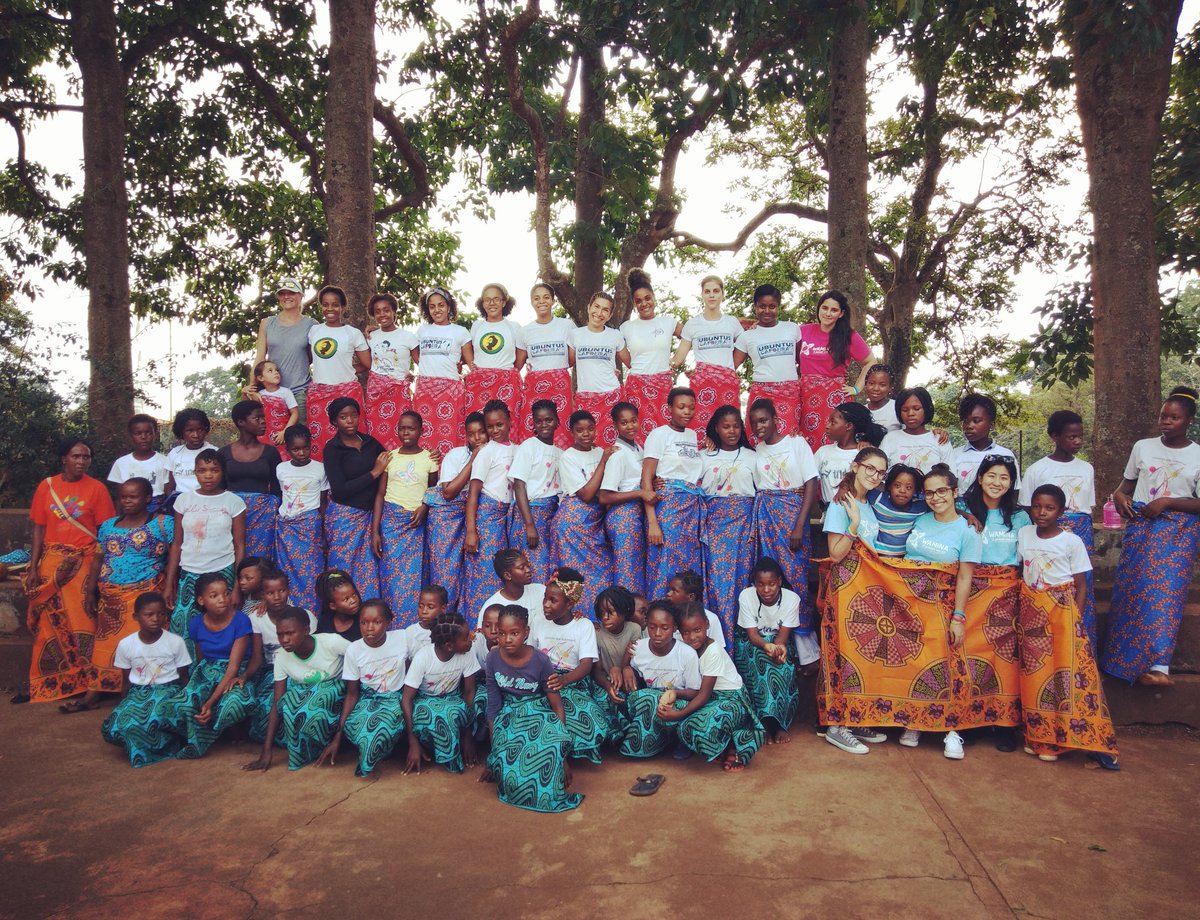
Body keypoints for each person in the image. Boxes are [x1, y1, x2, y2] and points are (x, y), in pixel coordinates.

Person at [1104, 386, 1200, 686]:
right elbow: (1125, 487)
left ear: (1189, 421)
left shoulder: (1197, 454)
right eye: (1163, 416)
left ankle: (1159, 667)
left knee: (1165, 596)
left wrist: (1168, 502)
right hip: (1142, 527)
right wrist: (1119, 498)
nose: (1166, 422)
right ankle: (1120, 665)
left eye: (1174, 417)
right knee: (1132, 591)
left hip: (1178, 533)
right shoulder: (1142, 447)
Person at [1017, 485, 1118, 768]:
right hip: (1030, 610)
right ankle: (1037, 736)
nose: (1041, 512)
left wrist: (1075, 618)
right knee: (1034, 672)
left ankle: (1060, 740)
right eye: (1036, 506)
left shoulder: (1071, 542)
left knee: (1061, 673)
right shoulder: (1024, 533)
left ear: (1061, 511)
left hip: (1062, 611)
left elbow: (1081, 586)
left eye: (1049, 508)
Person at [22, 438, 116, 707]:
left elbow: (104, 532)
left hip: (83, 563)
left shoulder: (97, 489)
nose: (81, 461)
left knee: (85, 622)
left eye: (86, 457)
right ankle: (49, 685)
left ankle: (87, 684)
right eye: (76, 456)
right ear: (64, 458)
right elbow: (39, 528)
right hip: (51, 563)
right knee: (47, 626)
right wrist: (33, 566)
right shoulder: (47, 486)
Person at [899, 464, 981, 760]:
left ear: (955, 492)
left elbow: (964, 576)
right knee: (912, 663)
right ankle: (915, 722)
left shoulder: (967, 530)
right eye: (930, 493)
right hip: (908, 605)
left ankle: (952, 731)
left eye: (942, 491)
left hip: (941, 606)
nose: (935, 498)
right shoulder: (920, 520)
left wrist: (958, 617)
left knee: (946, 666)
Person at [820, 448, 890, 756]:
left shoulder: (866, 503)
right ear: (855, 466)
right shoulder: (842, 503)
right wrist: (852, 525)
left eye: (880, 472)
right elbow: (835, 552)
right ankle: (837, 724)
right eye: (870, 468)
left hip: (867, 591)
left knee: (860, 655)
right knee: (842, 653)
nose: (874, 476)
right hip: (846, 587)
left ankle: (854, 716)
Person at [483, 605, 582, 812]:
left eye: (514, 633)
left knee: (548, 745)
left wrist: (561, 757)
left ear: (526, 633)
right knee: (509, 771)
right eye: (502, 633)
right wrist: (494, 753)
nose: (507, 639)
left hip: (537, 711)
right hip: (508, 715)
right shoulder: (492, 659)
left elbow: (556, 705)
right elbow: (493, 705)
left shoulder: (541, 660)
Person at [86, 479, 174, 708]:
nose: (127, 501)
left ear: (147, 499)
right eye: (123, 496)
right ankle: (95, 691)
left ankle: (137, 692)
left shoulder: (163, 524)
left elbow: (175, 556)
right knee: (105, 645)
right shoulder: (107, 526)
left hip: (145, 594)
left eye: (133, 496)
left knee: (142, 645)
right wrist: (90, 592)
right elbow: (97, 559)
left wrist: (168, 588)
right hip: (110, 598)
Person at [746, 398, 820, 655]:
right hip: (767, 518)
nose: (759, 426)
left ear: (776, 419)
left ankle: (806, 647)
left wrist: (800, 525)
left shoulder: (796, 443)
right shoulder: (757, 451)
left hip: (792, 517)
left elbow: (811, 483)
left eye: (763, 420)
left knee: (797, 577)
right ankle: (777, 641)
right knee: (772, 578)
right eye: (754, 423)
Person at [1019, 410, 1098, 644]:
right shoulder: (1037, 469)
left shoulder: (1086, 469)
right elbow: (1027, 509)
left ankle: (1081, 649)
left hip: (1080, 535)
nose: (1077, 441)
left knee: (1082, 588)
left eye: (1080, 436)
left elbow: (1086, 508)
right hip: (1047, 534)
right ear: (1055, 436)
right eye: (1071, 436)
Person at [243, 607, 350, 771]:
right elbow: (278, 701)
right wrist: (266, 750)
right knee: (279, 707)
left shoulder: (331, 642)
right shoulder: (281, 657)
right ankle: (304, 746)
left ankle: (332, 741)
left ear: (306, 630)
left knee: (308, 708)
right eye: (280, 634)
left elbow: (360, 656)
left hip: (336, 691)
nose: (284, 639)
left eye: (290, 633)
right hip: (305, 689)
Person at [662, 603, 765, 771]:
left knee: (696, 724)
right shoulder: (683, 648)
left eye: (697, 630)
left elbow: (703, 695)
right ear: (679, 632)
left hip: (731, 700)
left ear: (707, 625)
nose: (692, 637)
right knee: (673, 712)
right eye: (686, 632)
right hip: (707, 697)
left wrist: (678, 715)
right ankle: (712, 743)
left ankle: (733, 744)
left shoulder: (713, 651)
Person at [165, 449, 246, 657]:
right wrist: (169, 584)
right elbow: (177, 543)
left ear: (222, 472)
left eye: (214, 470)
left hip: (223, 572)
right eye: (202, 471)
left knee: (223, 624)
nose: (208, 475)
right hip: (190, 573)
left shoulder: (233, 502)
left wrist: (237, 586)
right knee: (183, 626)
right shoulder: (183, 501)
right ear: (195, 473)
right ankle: (188, 677)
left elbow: (239, 545)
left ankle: (222, 673)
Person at [530, 568, 614, 763]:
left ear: (569, 604)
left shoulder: (583, 626)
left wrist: (564, 680)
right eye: (545, 598)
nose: (546, 605)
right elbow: (531, 653)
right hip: (543, 678)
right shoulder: (539, 622)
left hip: (573, 681)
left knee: (589, 718)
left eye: (553, 600)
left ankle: (570, 751)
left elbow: (586, 665)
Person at [168, 573, 256, 758]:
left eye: (225, 593)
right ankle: (199, 736)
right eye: (214, 596)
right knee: (182, 704)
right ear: (201, 600)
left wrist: (209, 702)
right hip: (207, 671)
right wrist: (200, 688)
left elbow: (233, 668)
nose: (222, 600)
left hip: (234, 673)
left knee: (232, 704)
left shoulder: (241, 620)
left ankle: (231, 730)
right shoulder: (196, 624)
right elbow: (201, 659)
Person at [100, 592, 192, 767]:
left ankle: (161, 748)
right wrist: (124, 704)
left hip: (167, 690)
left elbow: (184, 677)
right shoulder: (126, 644)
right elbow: (126, 680)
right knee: (113, 726)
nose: (156, 619)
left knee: (150, 718)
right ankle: (149, 744)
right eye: (149, 615)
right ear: (136, 617)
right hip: (138, 691)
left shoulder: (175, 642)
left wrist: (185, 704)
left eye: (160, 614)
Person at [320, 600, 408, 776]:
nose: (369, 628)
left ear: (388, 622)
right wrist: (338, 736)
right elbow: (352, 694)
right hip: (367, 699)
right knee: (360, 726)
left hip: (394, 698)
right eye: (364, 622)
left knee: (382, 727)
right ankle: (373, 752)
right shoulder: (354, 650)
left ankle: (372, 757)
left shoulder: (403, 638)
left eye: (377, 622)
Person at [373, 410, 438, 628]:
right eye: (401, 428)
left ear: (421, 430)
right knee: (392, 579)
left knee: (413, 578)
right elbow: (380, 495)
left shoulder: (429, 458)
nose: (405, 432)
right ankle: (392, 628)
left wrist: (424, 507)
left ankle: (412, 627)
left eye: (410, 428)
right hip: (391, 524)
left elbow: (433, 491)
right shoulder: (389, 457)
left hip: (415, 523)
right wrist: (375, 531)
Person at [698, 406, 757, 637]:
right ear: (716, 428)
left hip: (744, 527)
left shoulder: (753, 456)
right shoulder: (704, 456)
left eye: (736, 426)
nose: (732, 431)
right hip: (714, 528)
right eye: (725, 426)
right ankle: (720, 644)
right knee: (717, 585)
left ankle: (742, 646)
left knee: (742, 583)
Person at [322, 397, 389, 598]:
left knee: (368, 570)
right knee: (343, 569)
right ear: (334, 422)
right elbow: (340, 490)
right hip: (345, 518)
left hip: (371, 515)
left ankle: (367, 613)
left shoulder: (371, 443)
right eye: (343, 417)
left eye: (353, 415)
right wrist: (374, 473)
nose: (350, 420)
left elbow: (391, 464)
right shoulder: (333, 449)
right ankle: (340, 613)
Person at [617, 599, 701, 757]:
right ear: (646, 624)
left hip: (675, 704)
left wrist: (675, 693)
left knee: (650, 698)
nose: (657, 633)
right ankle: (660, 740)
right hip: (648, 706)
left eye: (664, 628)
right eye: (652, 627)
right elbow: (627, 678)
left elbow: (695, 692)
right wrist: (626, 667)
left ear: (675, 627)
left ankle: (678, 738)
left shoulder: (686, 653)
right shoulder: (637, 648)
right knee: (626, 697)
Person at [734, 558, 803, 745]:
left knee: (783, 668)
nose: (766, 590)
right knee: (761, 667)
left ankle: (780, 722)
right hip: (751, 642)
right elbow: (752, 634)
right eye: (761, 585)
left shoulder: (791, 599)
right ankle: (762, 722)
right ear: (754, 584)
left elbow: (782, 637)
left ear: (779, 581)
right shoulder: (746, 596)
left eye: (771, 584)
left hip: (777, 641)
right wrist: (766, 647)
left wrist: (778, 648)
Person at [643, 388, 704, 599]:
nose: (687, 412)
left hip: (691, 510)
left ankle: (685, 621)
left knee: (688, 565)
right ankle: (660, 616)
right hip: (668, 509)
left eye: (691, 408)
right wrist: (652, 522)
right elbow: (646, 479)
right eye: (681, 407)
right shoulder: (659, 434)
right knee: (664, 563)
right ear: (669, 409)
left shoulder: (694, 436)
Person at [245, 569, 318, 743]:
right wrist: (243, 676)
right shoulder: (256, 618)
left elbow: (314, 652)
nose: (277, 597)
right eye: (270, 593)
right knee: (266, 707)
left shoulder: (305, 616)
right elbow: (257, 658)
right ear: (263, 594)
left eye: (282, 591)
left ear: (289, 590)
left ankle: (297, 741)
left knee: (294, 704)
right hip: (271, 673)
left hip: (300, 670)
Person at [797, 290, 875, 453]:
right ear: (818, 309)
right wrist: (753, 325)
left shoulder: (849, 336)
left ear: (841, 314)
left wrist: (856, 388)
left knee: (832, 442)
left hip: (834, 399)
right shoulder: (802, 331)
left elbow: (870, 361)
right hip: (806, 396)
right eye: (824, 308)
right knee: (805, 444)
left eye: (834, 310)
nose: (828, 313)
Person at [423, 412, 486, 613]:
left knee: (472, 572)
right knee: (446, 574)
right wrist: (474, 459)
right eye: (471, 434)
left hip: (475, 516)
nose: (476, 439)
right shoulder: (456, 455)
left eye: (481, 433)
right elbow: (448, 492)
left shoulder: (495, 454)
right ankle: (442, 623)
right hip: (446, 519)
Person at [401, 612, 480, 774]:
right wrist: (412, 742)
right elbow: (406, 699)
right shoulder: (423, 657)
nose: (471, 638)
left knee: (480, 700)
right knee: (440, 715)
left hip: (452, 698)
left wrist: (467, 736)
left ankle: (463, 742)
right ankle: (430, 748)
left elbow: (469, 691)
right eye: (465, 637)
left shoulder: (467, 653)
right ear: (450, 646)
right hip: (424, 700)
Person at [554, 410, 615, 616]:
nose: (586, 434)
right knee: (575, 578)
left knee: (603, 572)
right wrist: (603, 462)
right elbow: (587, 493)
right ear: (572, 432)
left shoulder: (601, 451)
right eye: (579, 430)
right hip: (572, 524)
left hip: (595, 523)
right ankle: (577, 619)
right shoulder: (568, 457)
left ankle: (597, 620)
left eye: (590, 429)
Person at [671, 274, 745, 443]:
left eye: (716, 291)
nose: (712, 295)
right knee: (701, 430)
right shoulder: (693, 324)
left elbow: (743, 348)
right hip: (702, 386)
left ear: (722, 294)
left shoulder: (732, 323)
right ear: (702, 295)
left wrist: (726, 370)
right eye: (707, 291)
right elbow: (678, 357)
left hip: (728, 385)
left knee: (729, 427)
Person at [463, 401, 517, 621]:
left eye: (500, 425)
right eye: (490, 427)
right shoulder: (487, 452)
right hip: (486, 515)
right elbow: (473, 494)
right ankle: (478, 625)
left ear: (510, 422)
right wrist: (471, 531)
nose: (495, 431)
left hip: (506, 517)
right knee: (483, 573)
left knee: (500, 574)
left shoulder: (518, 449)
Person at [305, 285, 370, 461]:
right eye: (325, 305)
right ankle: (325, 484)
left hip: (347, 393)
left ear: (342, 307)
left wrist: (348, 368)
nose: (330, 309)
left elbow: (367, 363)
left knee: (351, 438)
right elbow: (312, 359)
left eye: (335, 304)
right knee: (320, 440)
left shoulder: (352, 333)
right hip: (319, 393)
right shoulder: (314, 331)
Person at [735, 285, 802, 443]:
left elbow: (804, 360)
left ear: (778, 307)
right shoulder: (748, 336)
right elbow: (730, 366)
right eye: (761, 306)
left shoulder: (792, 329)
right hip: (761, 394)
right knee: (759, 440)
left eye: (772, 306)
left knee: (788, 441)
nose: (766, 311)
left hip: (789, 394)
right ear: (755, 307)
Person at [620, 270, 681, 444]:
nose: (644, 304)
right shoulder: (626, 327)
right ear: (634, 304)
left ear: (654, 298)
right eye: (638, 301)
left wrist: (677, 359)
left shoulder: (668, 322)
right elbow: (611, 347)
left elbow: (694, 335)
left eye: (647, 298)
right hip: (637, 388)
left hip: (663, 387)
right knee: (637, 435)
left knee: (664, 434)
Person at [412, 287, 473, 456]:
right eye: (432, 306)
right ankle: (429, 476)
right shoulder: (422, 331)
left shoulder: (460, 331)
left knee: (451, 433)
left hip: (451, 391)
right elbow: (412, 351)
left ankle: (450, 476)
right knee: (425, 433)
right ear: (427, 309)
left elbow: (471, 363)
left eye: (441, 305)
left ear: (449, 307)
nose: (437, 310)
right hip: (425, 390)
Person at [219, 401, 282, 560]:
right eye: (257, 418)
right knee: (232, 555)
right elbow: (219, 489)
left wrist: (269, 509)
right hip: (232, 515)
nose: (263, 421)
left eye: (263, 417)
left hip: (263, 519)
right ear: (241, 422)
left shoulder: (271, 452)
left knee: (261, 560)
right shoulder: (223, 453)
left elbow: (277, 489)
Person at [275, 425, 328, 613]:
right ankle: (290, 613)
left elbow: (323, 501)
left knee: (311, 572)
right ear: (287, 449)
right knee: (287, 571)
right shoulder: (281, 469)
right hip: (287, 528)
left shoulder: (320, 469)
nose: (302, 453)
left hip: (310, 526)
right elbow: (281, 495)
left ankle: (312, 614)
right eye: (296, 449)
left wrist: (323, 529)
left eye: (305, 448)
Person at [508, 400, 562, 583]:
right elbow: (519, 484)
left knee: (547, 567)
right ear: (534, 423)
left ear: (557, 421)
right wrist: (530, 525)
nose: (544, 425)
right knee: (530, 569)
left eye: (548, 420)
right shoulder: (529, 446)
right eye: (539, 421)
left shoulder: (560, 453)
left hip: (550, 514)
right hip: (529, 514)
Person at [249, 276, 316, 424]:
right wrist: (252, 389)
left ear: (301, 295)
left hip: (300, 392)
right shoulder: (267, 323)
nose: (286, 296)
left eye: (291, 292)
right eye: (282, 293)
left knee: (300, 439)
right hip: (272, 393)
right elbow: (260, 357)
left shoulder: (312, 324)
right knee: (272, 438)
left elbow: (312, 358)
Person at [599, 401, 646, 596]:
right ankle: (624, 616)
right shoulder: (618, 454)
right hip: (623, 517)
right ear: (615, 426)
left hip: (635, 515)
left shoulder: (638, 449)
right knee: (627, 570)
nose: (630, 426)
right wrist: (639, 492)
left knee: (635, 568)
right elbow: (604, 496)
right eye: (624, 423)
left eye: (633, 421)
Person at [521, 282, 576, 448]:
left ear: (553, 301)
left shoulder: (567, 326)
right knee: (535, 428)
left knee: (562, 427)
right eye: (536, 298)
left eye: (546, 297)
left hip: (560, 386)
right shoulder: (525, 331)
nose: (541, 301)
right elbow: (518, 362)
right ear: (532, 302)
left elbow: (571, 359)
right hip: (534, 388)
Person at [570, 292, 629, 447]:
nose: (599, 313)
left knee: (611, 447)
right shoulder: (575, 335)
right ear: (589, 308)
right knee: (587, 445)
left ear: (609, 316)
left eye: (605, 310)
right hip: (585, 398)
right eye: (596, 307)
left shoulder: (615, 335)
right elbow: (567, 362)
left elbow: (631, 363)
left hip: (611, 398)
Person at [362, 292, 418, 451]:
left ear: (394, 311)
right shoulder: (371, 336)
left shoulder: (408, 337)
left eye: (386, 310)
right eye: (377, 311)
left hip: (398, 393)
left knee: (401, 431)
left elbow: (422, 361)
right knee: (376, 435)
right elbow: (366, 363)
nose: (382, 314)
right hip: (376, 394)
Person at [466, 283, 526, 424]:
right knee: (479, 425)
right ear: (482, 303)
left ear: (504, 302)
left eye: (496, 299)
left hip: (506, 384)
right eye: (487, 300)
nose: (491, 303)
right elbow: (469, 352)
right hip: (479, 385)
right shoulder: (477, 326)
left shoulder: (514, 327)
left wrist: (505, 374)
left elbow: (519, 358)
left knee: (505, 425)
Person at [962, 455, 1030, 567]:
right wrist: (964, 513)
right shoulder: (964, 509)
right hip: (970, 577)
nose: (997, 483)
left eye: (1004, 478)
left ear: (1011, 483)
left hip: (1009, 580)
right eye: (991, 476)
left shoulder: (1020, 517)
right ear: (980, 478)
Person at [813, 402, 887, 503]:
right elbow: (810, 480)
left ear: (848, 426)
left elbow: (880, 485)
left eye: (833, 422)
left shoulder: (866, 453)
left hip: (858, 512)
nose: (827, 426)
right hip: (830, 512)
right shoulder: (823, 452)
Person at [953, 393, 1019, 493]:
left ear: (991, 424)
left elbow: (1014, 492)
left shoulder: (1005, 455)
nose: (968, 426)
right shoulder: (954, 455)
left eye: (976, 420)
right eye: (965, 421)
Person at [880, 387, 954, 475]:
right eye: (905, 410)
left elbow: (950, 476)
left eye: (916, 408)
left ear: (926, 409)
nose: (910, 413)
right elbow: (880, 471)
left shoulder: (939, 439)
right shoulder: (890, 439)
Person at [107, 414, 170, 510]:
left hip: (157, 509)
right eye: (138, 433)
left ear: (155, 434)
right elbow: (120, 496)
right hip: (130, 510)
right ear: (131, 436)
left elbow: (167, 493)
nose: (144, 437)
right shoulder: (121, 463)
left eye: (148, 433)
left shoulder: (165, 462)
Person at [473, 549, 546, 630]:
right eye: (521, 568)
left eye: (528, 566)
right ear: (507, 575)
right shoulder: (492, 606)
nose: (528, 570)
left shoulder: (541, 591)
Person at [593, 586, 641, 698]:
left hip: (627, 679)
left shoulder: (634, 629)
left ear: (624, 611)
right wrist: (607, 685)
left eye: (610, 612)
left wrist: (622, 668)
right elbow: (597, 671)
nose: (605, 617)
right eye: (602, 612)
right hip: (604, 683)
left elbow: (633, 661)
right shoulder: (596, 631)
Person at [248, 360, 298, 460]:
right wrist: (245, 391)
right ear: (260, 378)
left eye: (277, 370)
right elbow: (247, 410)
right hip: (264, 436)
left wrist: (285, 432)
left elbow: (295, 413)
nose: (276, 372)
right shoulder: (259, 394)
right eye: (270, 371)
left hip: (281, 435)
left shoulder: (285, 392)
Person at [164, 408, 216, 496]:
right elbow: (170, 486)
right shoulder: (175, 453)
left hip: (205, 501)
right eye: (190, 430)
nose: (196, 435)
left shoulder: (214, 452)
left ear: (205, 430)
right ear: (181, 432)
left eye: (200, 430)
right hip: (180, 503)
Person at [315, 568, 364, 643]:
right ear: (332, 606)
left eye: (354, 595)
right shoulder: (325, 623)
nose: (353, 601)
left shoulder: (364, 618)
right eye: (346, 599)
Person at [404, 585, 445, 660]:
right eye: (421, 606)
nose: (424, 611)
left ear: (443, 608)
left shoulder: (447, 631)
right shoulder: (410, 632)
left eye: (430, 607)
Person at [862, 364, 901, 434]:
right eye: (871, 383)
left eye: (882, 385)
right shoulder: (861, 411)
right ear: (865, 385)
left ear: (890, 387)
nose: (875, 388)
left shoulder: (898, 407)